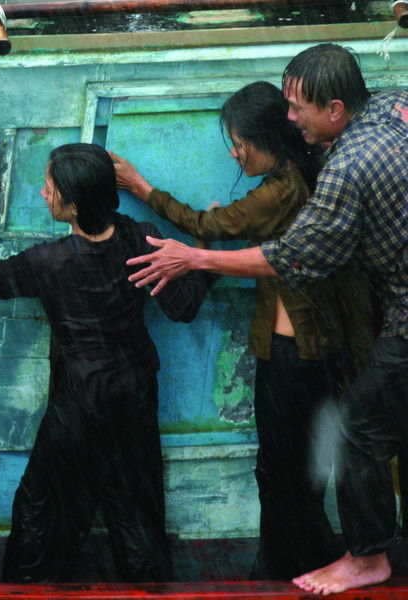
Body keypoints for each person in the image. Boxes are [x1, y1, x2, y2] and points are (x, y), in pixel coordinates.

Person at [125, 43, 408, 595]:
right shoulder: (390, 107)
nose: (290, 115)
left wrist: (192, 253)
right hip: (347, 331)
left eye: (297, 107)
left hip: (331, 340)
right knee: (300, 467)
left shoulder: (335, 172)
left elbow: (290, 255)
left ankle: (356, 559)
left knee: (322, 452)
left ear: (335, 109)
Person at [0, 142, 210, 583]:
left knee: (42, 510)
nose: (42, 194)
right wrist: (202, 253)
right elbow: (183, 308)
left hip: (78, 404)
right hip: (133, 398)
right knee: (135, 513)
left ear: (73, 206)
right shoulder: (139, 238)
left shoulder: (49, 262)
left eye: (50, 189)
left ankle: (31, 591)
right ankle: (147, 590)